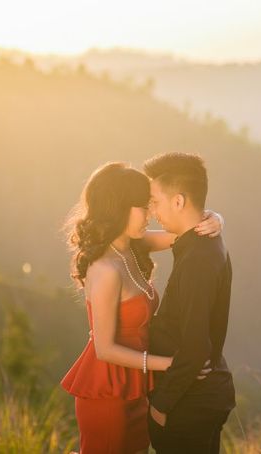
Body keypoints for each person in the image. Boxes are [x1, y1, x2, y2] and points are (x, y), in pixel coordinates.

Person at [60, 161, 224, 454]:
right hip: (109, 391)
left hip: (137, 385)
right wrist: (172, 365)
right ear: (119, 207)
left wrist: (216, 219)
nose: (151, 214)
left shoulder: (133, 246)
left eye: (151, 205)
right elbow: (104, 349)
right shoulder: (105, 269)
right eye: (142, 207)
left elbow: (186, 232)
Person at [144, 152, 236, 454]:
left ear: (179, 201)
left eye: (155, 201)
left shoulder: (198, 259)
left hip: (190, 402)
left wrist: (160, 404)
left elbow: (196, 346)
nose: (152, 210)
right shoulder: (204, 242)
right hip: (202, 397)